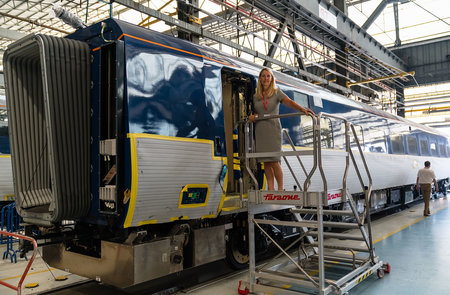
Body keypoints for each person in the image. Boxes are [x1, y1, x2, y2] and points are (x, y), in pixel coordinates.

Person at [249, 68, 315, 191]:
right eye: (263, 76)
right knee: (266, 162)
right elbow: (259, 112)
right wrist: (253, 116)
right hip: (260, 130)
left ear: (272, 78)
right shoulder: (256, 96)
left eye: (268, 76)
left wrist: (302, 109)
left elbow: (289, 102)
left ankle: (280, 187)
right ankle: (270, 188)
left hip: (273, 128)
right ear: (260, 79)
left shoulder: (276, 92)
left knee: (274, 161)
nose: (266, 78)